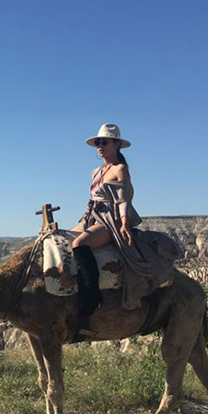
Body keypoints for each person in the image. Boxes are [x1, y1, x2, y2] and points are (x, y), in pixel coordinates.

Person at [70, 123, 140, 316]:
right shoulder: (96, 172)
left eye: (104, 142)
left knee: (79, 243)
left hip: (111, 219)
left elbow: (123, 199)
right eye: (97, 143)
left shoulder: (120, 169)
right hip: (93, 216)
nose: (99, 146)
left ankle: (92, 297)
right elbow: (93, 199)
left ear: (116, 144)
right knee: (62, 236)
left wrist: (125, 223)